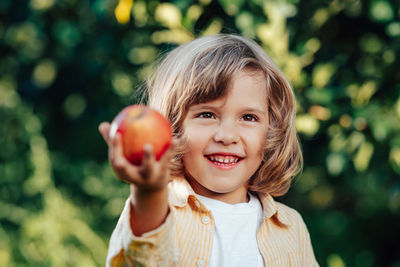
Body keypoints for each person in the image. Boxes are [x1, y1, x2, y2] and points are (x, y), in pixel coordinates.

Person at [99, 33, 319, 266]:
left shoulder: (290, 227)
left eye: (248, 117)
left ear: (272, 131)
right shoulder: (154, 213)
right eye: (207, 114)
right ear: (172, 126)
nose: (227, 136)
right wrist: (149, 194)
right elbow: (140, 260)